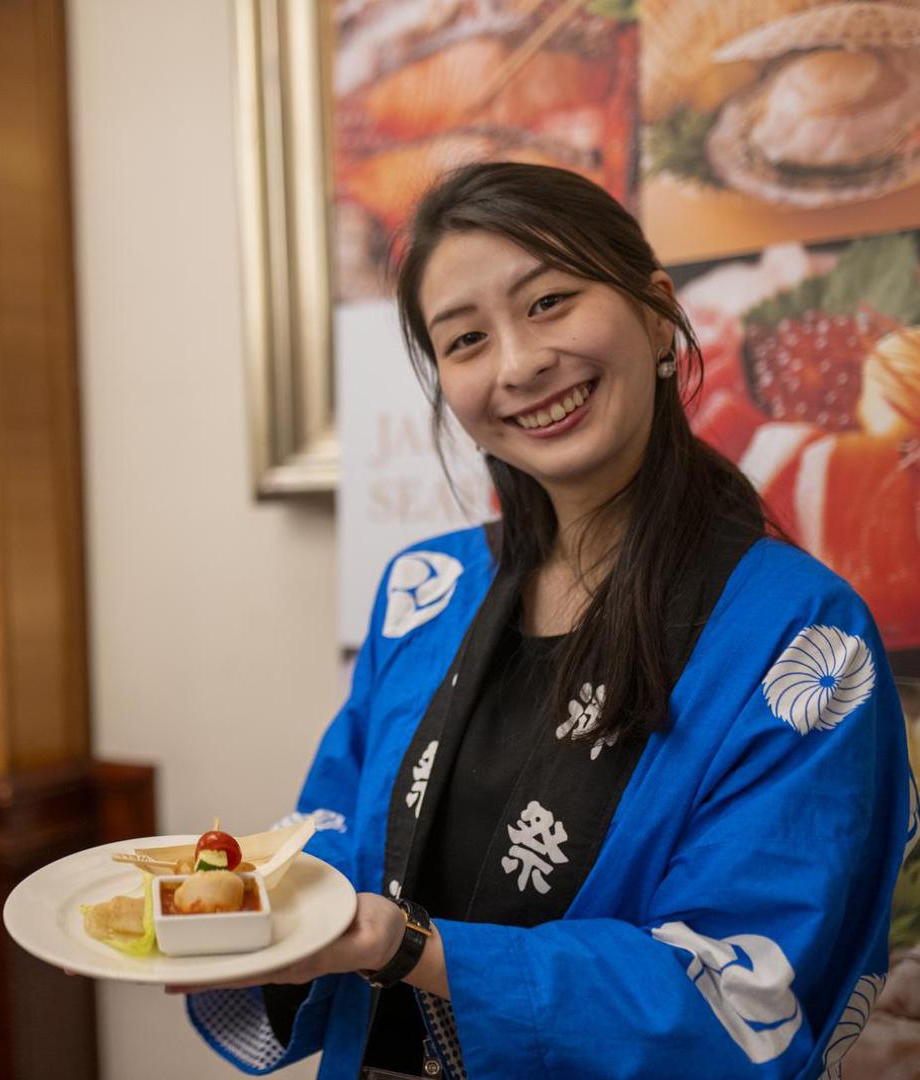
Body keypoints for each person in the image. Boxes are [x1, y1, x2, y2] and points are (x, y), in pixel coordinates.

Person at [177, 163, 917, 1079]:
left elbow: (748, 995)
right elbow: (331, 833)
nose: (520, 365)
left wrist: (413, 948)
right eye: (466, 339)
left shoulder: (805, 638)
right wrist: (238, 913)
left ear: (655, 312)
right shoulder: (428, 587)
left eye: (551, 302)